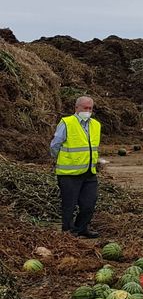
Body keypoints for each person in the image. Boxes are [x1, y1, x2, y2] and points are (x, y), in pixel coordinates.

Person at [49, 96, 102, 238]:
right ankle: (67, 232)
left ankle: (81, 228)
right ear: (77, 108)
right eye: (85, 108)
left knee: (89, 204)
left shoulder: (96, 125)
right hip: (69, 173)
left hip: (89, 171)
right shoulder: (67, 123)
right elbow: (55, 145)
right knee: (69, 205)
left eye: (90, 108)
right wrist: (61, 159)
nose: (88, 111)